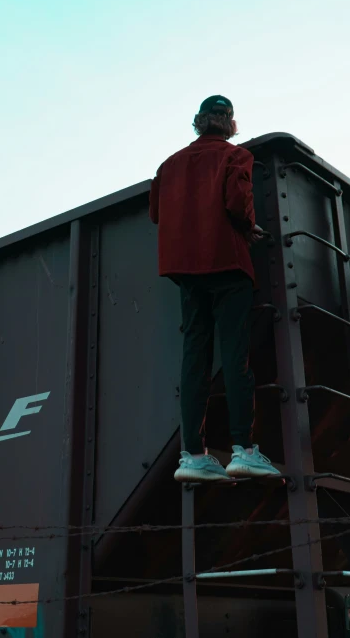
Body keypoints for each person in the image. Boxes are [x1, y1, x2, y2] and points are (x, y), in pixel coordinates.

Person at [149, 95, 281, 483]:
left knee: (195, 361)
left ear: (198, 122)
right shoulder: (235, 156)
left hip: (186, 272)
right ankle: (245, 450)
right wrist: (249, 226)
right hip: (227, 263)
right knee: (235, 356)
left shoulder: (169, 165)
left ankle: (192, 455)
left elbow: (156, 213)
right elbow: (238, 202)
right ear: (228, 123)